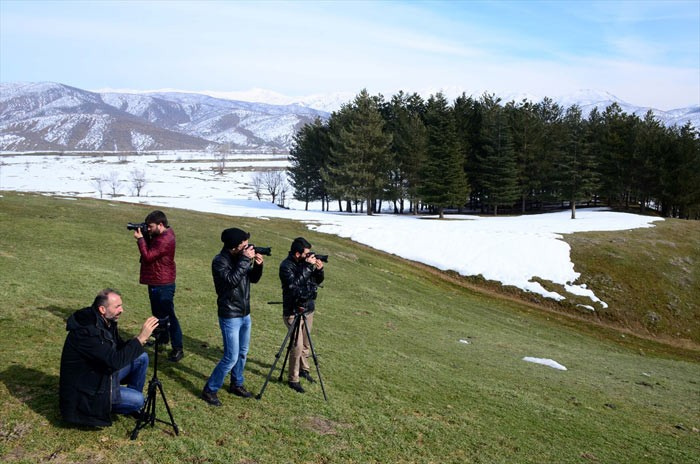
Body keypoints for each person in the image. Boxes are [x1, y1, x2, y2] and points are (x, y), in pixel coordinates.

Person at [59, 288, 159, 427]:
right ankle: (125, 403)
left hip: (100, 374)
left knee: (140, 357)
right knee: (138, 399)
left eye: (121, 305)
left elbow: (118, 349)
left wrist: (139, 341)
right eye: (117, 306)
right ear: (102, 309)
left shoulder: (106, 322)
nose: (122, 310)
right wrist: (140, 338)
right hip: (88, 391)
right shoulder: (88, 333)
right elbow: (115, 361)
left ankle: (128, 405)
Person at [201, 227, 264, 406]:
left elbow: (253, 279)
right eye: (243, 245)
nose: (247, 247)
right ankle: (210, 390)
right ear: (234, 247)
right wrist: (245, 260)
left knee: (243, 353)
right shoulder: (220, 261)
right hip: (230, 314)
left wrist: (258, 265)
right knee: (231, 356)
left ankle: (237, 384)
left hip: (245, 313)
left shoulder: (240, 258)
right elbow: (230, 281)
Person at [134, 210, 183, 362]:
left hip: (163, 283)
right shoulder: (159, 235)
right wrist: (146, 235)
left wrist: (141, 239)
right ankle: (162, 339)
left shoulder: (165, 239)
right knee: (157, 314)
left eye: (150, 226)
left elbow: (148, 256)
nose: (148, 229)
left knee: (169, 316)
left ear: (160, 225)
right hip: (156, 280)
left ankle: (178, 348)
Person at [279, 237, 325, 393]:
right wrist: (306, 267)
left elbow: (316, 282)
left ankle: (304, 370)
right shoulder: (286, 266)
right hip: (293, 311)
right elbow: (293, 286)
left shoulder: (306, 264)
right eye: (306, 254)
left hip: (308, 308)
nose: (309, 256)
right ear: (298, 254)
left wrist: (319, 270)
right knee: (297, 346)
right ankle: (293, 379)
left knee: (305, 343)